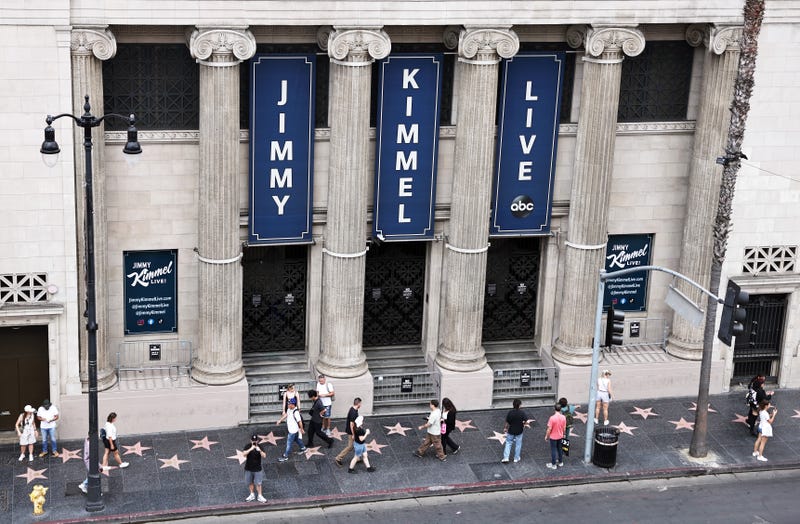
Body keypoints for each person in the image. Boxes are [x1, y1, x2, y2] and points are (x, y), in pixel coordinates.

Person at [335, 397, 361, 467]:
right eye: (360, 403)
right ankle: (338, 458)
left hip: (354, 430)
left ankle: (357, 458)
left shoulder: (353, 409)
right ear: (358, 403)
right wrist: (353, 434)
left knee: (357, 443)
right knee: (350, 446)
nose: (361, 405)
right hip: (352, 432)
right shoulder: (353, 412)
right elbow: (351, 424)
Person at [502, 398, 529, 463]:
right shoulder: (522, 413)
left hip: (511, 431)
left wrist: (505, 428)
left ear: (513, 405)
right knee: (518, 444)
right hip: (519, 431)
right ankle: (516, 458)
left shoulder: (510, 413)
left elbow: (507, 422)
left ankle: (506, 458)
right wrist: (524, 424)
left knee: (508, 443)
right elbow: (527, 421)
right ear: (519, 405)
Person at [243, 434, 267, 502]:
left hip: (257, 469)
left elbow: (264, 456)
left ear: (258, 441)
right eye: (253, 440)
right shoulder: (248, 446)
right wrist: (251, 449)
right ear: (250, 440)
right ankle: (252, 494)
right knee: (250, 482)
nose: (254, 442)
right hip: (248, 468)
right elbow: (244, 454)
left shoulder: (260, 447)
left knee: (258, 483)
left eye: (255, 440)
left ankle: (260, 495)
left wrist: (259, 450)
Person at [545, 403, 567, 469]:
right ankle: (560, 462)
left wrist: (546, 436)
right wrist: (564, 434)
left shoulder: (552, 418)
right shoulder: (563, 417)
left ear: (554, 409)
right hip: (560, 436)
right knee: (560, 449)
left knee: (553, 450)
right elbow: (564, 427)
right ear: (560, 409)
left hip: (553, 437)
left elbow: (549, 429)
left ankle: (553, 464)